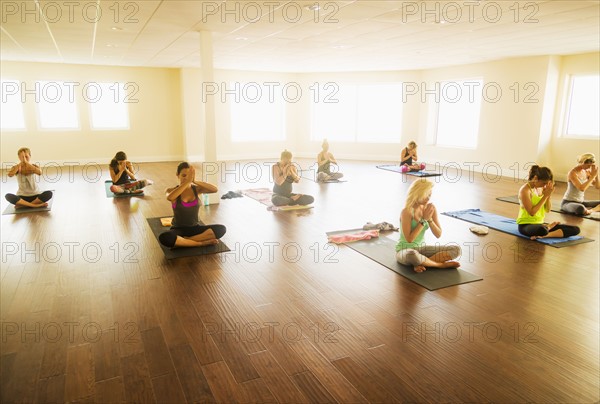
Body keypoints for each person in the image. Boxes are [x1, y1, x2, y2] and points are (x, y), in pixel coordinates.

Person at [395, 179, 461, 273]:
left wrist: (429, 219)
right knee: (412, 254)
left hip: (422, 249)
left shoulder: (430, 209)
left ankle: (422, 263)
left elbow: (438, 234)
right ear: (417, 193)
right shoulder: (407, 211)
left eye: (430, 194)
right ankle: (439, 265)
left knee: (456, 249)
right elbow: (409, 239)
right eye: (426, 194)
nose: (428, 198)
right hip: (405, 250)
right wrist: (424, 220)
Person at [158, 162, 226, 248]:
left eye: (189, 176)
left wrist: (194, 181)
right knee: (165, 238)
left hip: (195, 228)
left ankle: (185, 241)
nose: (186, 178)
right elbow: (170, 198)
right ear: (177, 175)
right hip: (178, 230)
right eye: (183, 175)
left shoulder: (196, 190)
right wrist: (187, 182)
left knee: (221, 229)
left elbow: (214, 189)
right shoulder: (170, 190)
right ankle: (201, 243)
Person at [517, 165, 580, 240]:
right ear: (536, 178)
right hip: (526, 225)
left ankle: (545, 235)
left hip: (540, 224)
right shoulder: (525, 190)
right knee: (542, 230)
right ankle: (547, 229)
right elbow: (532, 212)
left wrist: (548, 195)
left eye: (547, 183)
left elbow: (548, 209)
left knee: (575, 229)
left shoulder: (541, 188)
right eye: (544, 183)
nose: (545, 185)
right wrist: (545, 196)